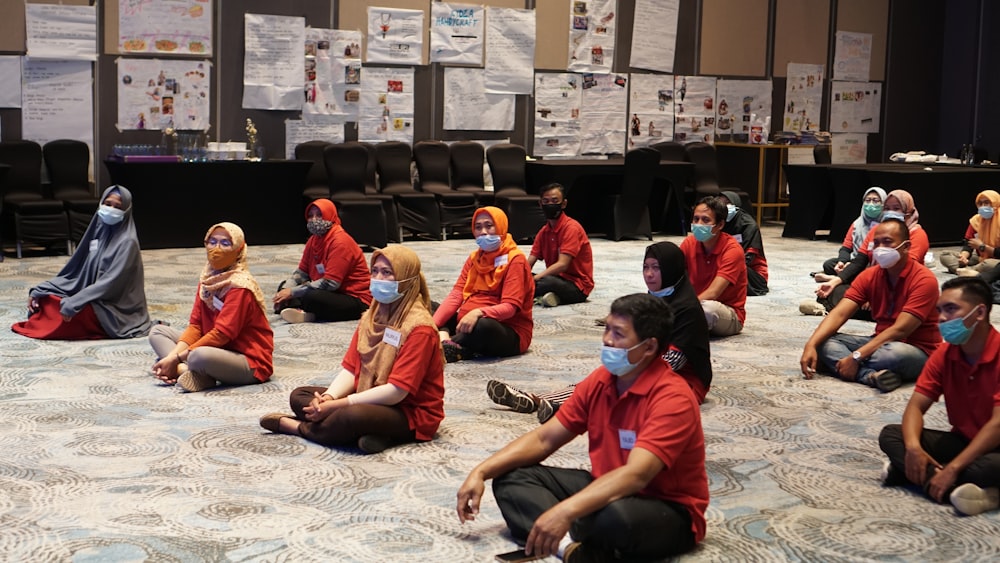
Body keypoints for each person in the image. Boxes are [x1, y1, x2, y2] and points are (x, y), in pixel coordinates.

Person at [457, 294, 708, 562]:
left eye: (619, 334)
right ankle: (570, 548)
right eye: (607, 329)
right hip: (605, 485)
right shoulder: (602, 380)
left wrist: (564, 512)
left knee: (615, 519)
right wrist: (480, 472)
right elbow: (544, 438)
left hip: (666, 507)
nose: (607, 340)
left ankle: (563, 533)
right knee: (511, 477)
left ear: (649, 347)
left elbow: (637, 475)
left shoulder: (673, 398)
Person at [487, 241, 713, 423]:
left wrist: (631, 370)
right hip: (651, 366)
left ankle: (556, 405)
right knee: (604, 378)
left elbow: (674, 361)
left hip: (684, 383)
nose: (649, 274)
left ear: (671, 269)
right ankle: (541, 401)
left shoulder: (688, 310)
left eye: (656, 268)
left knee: (619, 390)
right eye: (646, 267)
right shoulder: (658, 298)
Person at [259, 246, 445, 454]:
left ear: (406, 279)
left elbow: (397, 392)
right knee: (300, 395)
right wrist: (329, 398)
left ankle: (297, 427)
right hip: (368, 392)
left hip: (409, 411)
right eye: (374, 271)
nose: (377, 278)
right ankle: (374, 436)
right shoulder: (371, 315)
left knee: (351, 415)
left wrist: (339, 405)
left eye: (387, 272)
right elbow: (351, 368)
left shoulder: (419, 328)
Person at [878, 277, 1000, 516]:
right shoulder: (945, 354)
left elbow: (997, 425)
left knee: (986, 468)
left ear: (980, 312)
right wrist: (913, 448)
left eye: (951, 309)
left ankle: (914, 475)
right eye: (940, 310)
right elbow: (915, 407)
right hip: (966, 440)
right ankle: (957, 489)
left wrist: (953, 468)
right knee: (892, 435)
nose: (942, 318)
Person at [799, 219, 941, 392]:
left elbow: (900, 330)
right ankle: (869, 376)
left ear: (906, 246)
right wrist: (811, 344)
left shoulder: (924, 280)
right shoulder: (870, 275)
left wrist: (856, 357)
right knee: (823, 342)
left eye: (887, 242)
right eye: (877, 243)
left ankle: (842, 364)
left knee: (893, 354)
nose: (880, 248)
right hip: (878, 342)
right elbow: (839, 314)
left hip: (916, 350)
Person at [12, 185, 151, 340]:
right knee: (48, 298)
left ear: (126, 211)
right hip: (90, 294)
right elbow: (76, 269)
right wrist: (44, 288)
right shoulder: (99, 230)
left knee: (72, 311)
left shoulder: (127, 242)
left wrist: (75, 302)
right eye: (108, 204)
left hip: (114, 305)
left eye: (118, 207)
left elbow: (110, 283)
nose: (111, 209)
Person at [149, 222, 274, 393]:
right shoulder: (208, 278)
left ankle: (186, 369)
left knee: (198, 356)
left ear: (238, 249)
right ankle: (189, 372)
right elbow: (196, 325)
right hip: (214, 348)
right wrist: (173, 357)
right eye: (212, 242)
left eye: (225, 243)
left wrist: (178, 357)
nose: (216, 248)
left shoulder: (240, 286)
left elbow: (222, 335)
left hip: (247, 359)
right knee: (158, 332)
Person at [803, 189, 929, 316]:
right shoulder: (876, 230)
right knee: (833, 291)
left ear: (909, 211)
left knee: (848, 301)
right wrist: (834, 282)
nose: (891, 212)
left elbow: (903, 271)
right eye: (887, 208)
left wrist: (872, 292)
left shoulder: (917, 234)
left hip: (900, 290)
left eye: (896, 208)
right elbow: (859, 261)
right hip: (874, 282)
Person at [433, 207, 534, 363]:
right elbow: (456, 295)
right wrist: (433, 325)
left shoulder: (515, 260)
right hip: (466, 324)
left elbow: (509, 308)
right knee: (429, 306)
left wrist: (478, 312)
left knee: (482, 327)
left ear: (501, 227)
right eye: (478, 227)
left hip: (505, 329)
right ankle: (446, 341)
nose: (483, 232)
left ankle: (440, 344)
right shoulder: (474, 258)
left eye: (489, 226)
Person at [273, 199, 371, 323]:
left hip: (354, 297)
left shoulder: (340, 242)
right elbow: (302, 273)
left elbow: (330, 283)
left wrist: (292, 293)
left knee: (311, 297)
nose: (314, 219)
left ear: (330, 216)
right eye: (310, 216)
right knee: (284, 285)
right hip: (332, 293)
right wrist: (285, 290)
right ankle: (300, 310)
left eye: (319, 215)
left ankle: (304, 311)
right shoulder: (314, 240)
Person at [679, 196, 747, 336]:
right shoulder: (689, 244)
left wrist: (682, 309)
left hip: (726, 312)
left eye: (705, 220)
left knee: (707, 310)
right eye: (696, 219)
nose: (698, 224)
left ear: (720, 225)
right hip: (695, 304)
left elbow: (713, 293)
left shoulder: (732, 249)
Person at [527, 183, 594, 308]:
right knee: (522, 277)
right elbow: (531, 260)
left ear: (563, 204)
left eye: (554, 201)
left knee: (543, 282)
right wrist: (519, 275)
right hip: (556, 279)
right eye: (546, 201)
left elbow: (562, 265)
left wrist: (534, 280)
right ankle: (549, 297)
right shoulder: (543, 231)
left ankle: (535, 295)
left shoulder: (571, 228)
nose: (550, 205)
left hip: (577, 286)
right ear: (540, 204)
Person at [814, 187, 886, 280]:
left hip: (875, 261)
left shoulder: (887, 224)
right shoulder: (857, 224)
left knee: (874, 271)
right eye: (867, 200)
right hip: (855, 260)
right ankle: (846, 275)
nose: (871, 204)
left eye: (876, 201)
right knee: (829, 264)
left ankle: (835, 278)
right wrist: (842, 262)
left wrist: (854, 265)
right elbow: (846, 247)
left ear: (884, 204)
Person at [718, 190, 769, 296]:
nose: (724, 206)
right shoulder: (718, 222)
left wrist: (723, 266)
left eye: (727, 203)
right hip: (724, 264)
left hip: (752, 272)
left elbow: (748, 258)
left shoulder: (749, 225)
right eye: (721, 203)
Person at [939, 190, 1000, 276]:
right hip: (980, 258)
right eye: (980, 203)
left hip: (996, 260)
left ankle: (965, 271)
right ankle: (966, 271)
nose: (983, 207)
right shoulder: (976, 220)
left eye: (986, 203)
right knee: (945, 255)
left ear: (996, 204)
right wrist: (963, 257)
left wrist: (982, 247)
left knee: (988, 264)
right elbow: (968, 244)